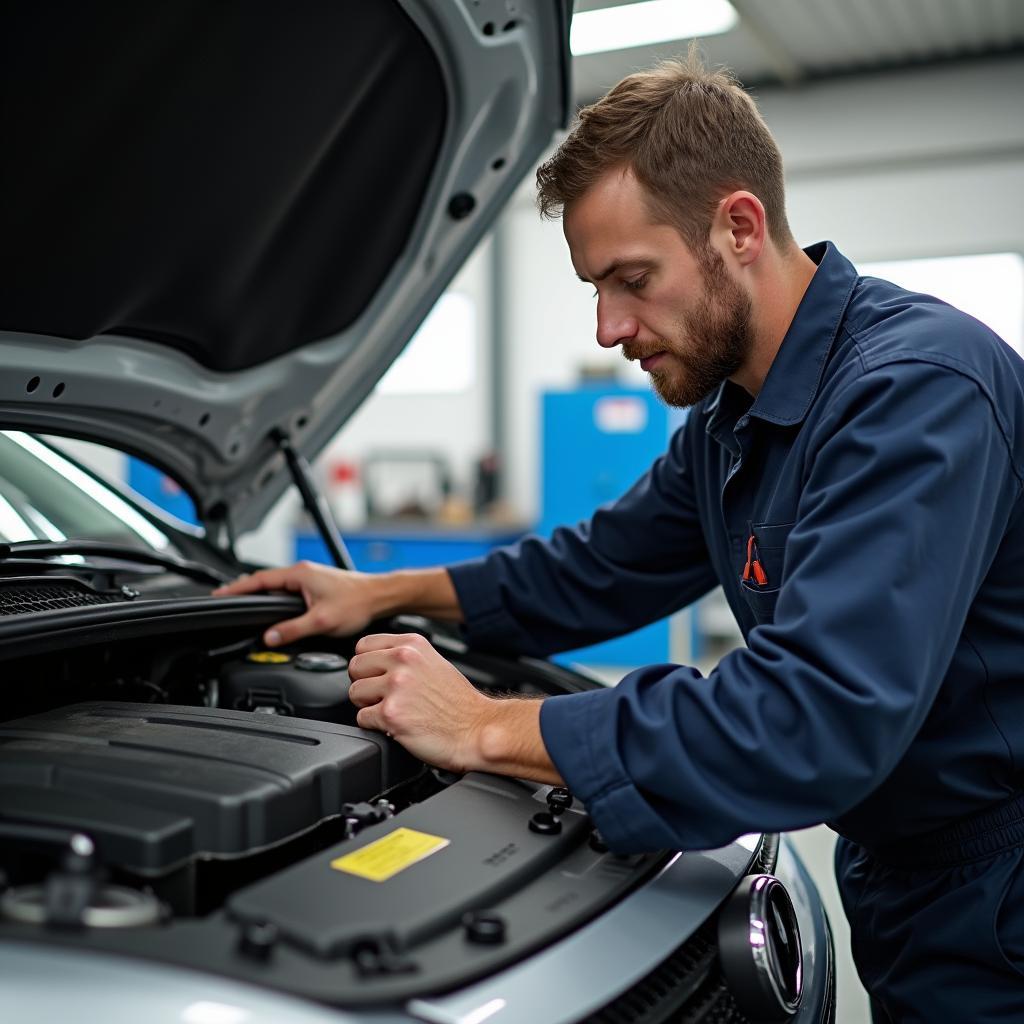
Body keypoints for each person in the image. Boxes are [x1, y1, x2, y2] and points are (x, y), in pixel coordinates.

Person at [215, 53, 1024, 1021]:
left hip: (998, 879)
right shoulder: (734, 415)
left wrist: (483, 723)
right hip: (906, 865)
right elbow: (598, 568)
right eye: (596, 286)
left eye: (631, 280)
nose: (607, 327)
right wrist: (383, 594)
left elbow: (812, 718)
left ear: (737, 226)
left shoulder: (916, 390)